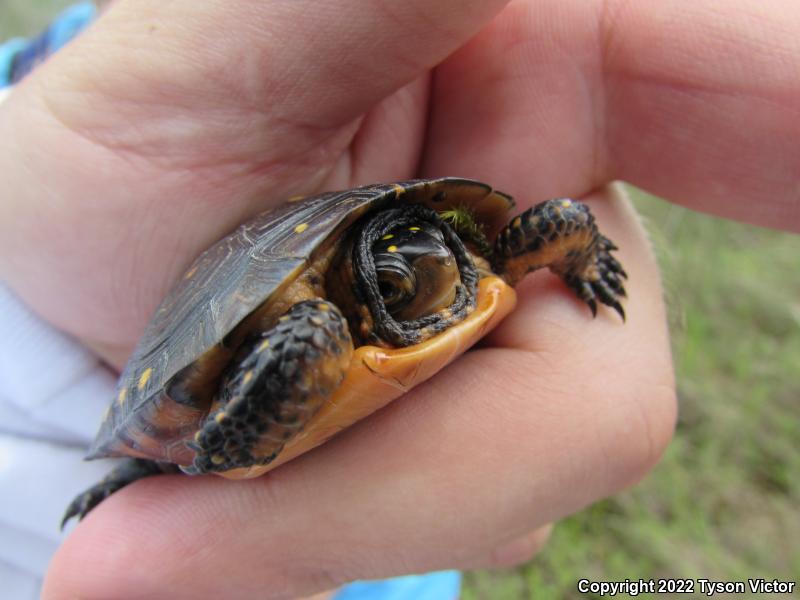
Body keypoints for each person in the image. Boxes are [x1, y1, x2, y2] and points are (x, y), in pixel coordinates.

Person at [0, 0, 795, 598]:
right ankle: (166, 468)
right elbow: (289, 337)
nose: (422, 269)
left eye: (433, 254)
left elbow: (563, 225)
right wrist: (209, 454)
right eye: (395, 275)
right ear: (365, 283)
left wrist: (584, 260)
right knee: (309, 335)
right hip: (183, 402)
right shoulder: (318, 314)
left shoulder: (487, 258)